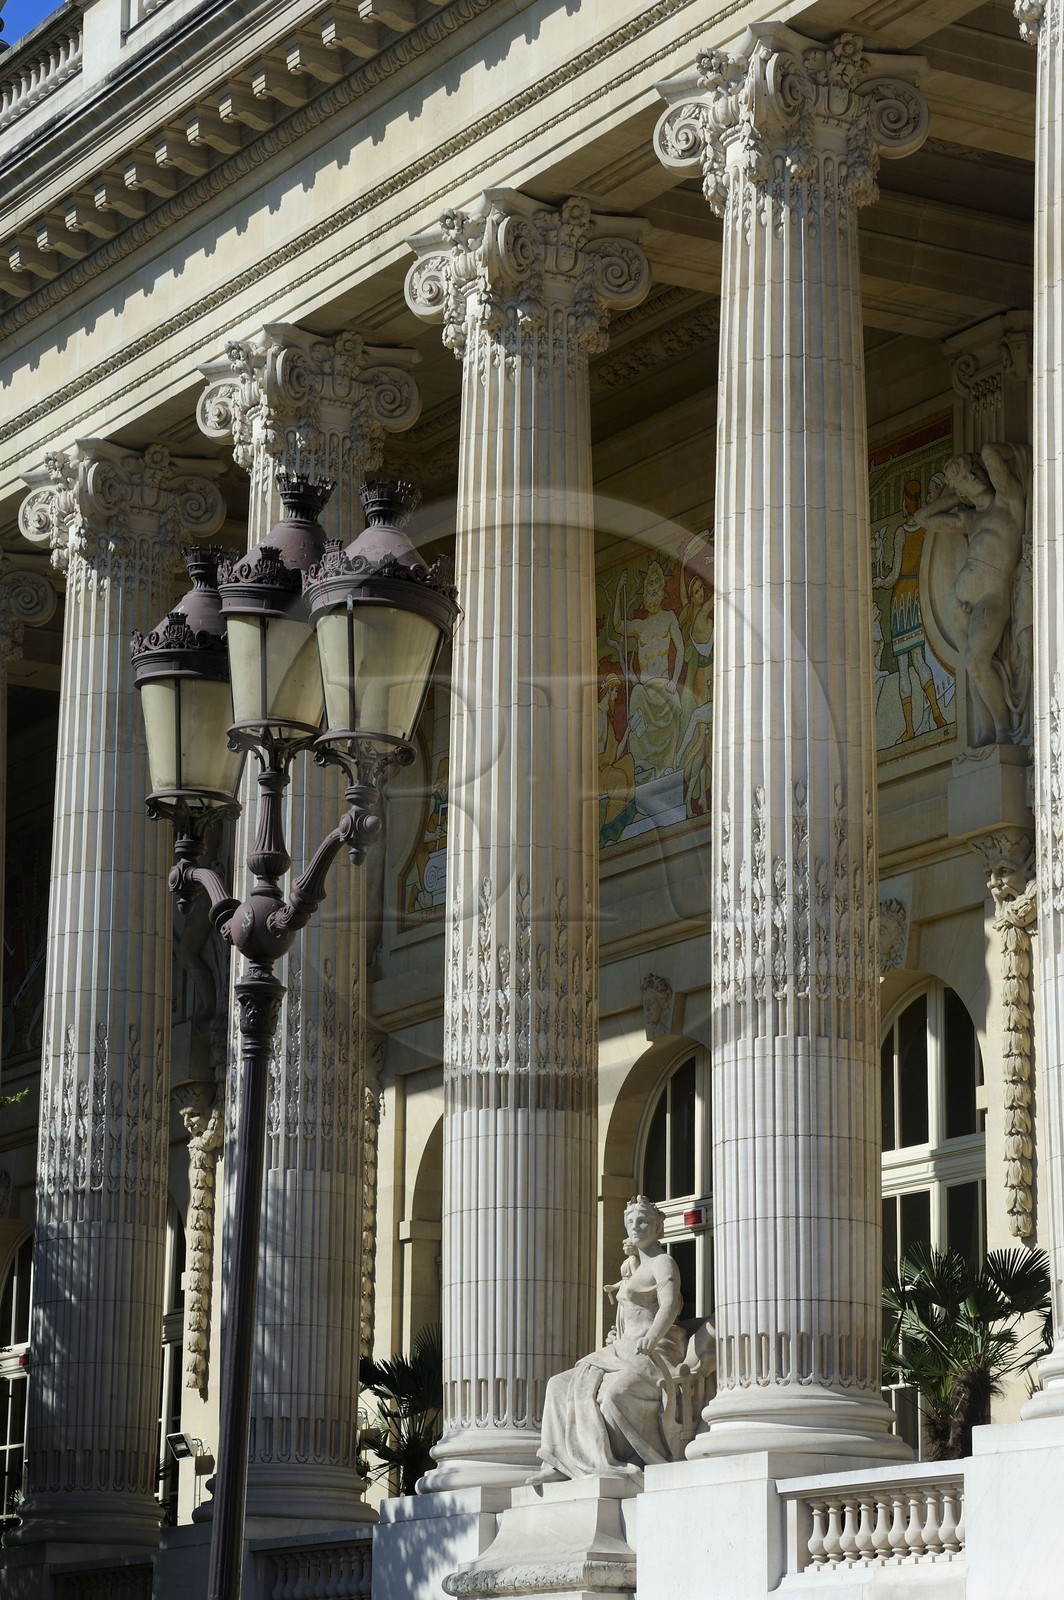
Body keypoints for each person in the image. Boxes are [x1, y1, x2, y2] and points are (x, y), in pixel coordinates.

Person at [529, 1196, 714, 1482]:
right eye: (630, 1222)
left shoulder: (662, 1263)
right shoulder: (631, 1268)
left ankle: (609, 1460)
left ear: (658, 1229)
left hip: (655, 1352)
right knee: (558, 1384)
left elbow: (669, 1305)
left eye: (643, 1221)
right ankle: (560, 1463)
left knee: (613, 1395)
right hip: (622, 1349)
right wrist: (618, 1333)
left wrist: (652, 1336)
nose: (636, 1227)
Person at [921, 443, 1029, 746]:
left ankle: (1004, 730)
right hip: (959, 603)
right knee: (973, 672)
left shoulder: (1007, 500)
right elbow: (923, 519)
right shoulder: (971, 519)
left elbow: (992, 457)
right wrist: (955, 495)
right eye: (967, 479)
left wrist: (979, 461)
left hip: (992, 598)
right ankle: (989, 730)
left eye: (973, 471)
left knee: (976, 662)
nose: (974, 477)